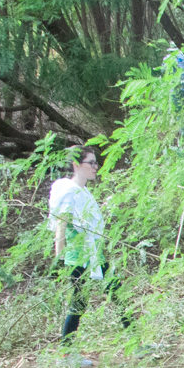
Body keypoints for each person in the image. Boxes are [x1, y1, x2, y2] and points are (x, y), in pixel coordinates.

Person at [46, 145, 125, 349]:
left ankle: (137, 343)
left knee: (116, 293)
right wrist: (59, 260)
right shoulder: (69, 193)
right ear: (76, 165)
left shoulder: (83, 192)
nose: (95, 167)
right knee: (78, 304)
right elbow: (61, 227)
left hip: (94, 256)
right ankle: (66, 353)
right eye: (91, 162)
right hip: (78, 258)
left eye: (95, 162)